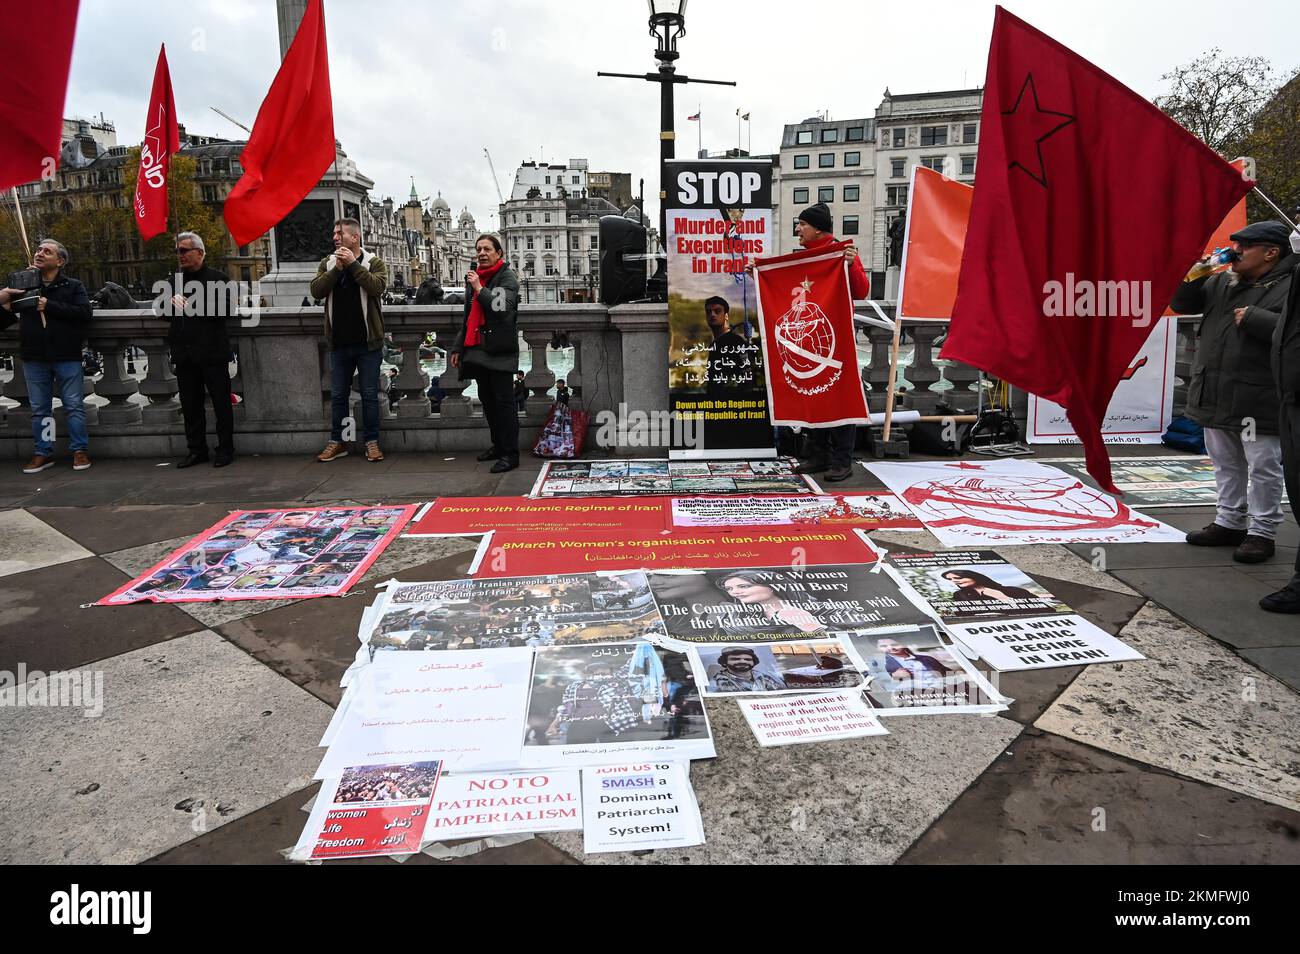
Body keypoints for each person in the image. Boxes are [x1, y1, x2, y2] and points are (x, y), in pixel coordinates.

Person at [1172, 221, 1297, 563]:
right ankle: (1229, 522)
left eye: (1245, 245)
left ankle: (1262, 532)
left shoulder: (1292, 284)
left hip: (1259, 393)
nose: (1236, 251)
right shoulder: (1222, 280)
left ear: (1271, 252)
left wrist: (1257, 318)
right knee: (1224, 462)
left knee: (1263, 465)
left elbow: (1294, 333)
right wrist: (1193, 274)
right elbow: (1182, 304)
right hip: (1215, 387)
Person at [791, 202, 869, 482]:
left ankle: (842, 459)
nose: (798, 229)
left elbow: (861, 291)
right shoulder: (806, 256)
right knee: (816, 394)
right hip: (813, 339)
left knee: (841, 395)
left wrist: (850, 266)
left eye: (802, 224)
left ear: (818, 229)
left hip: (838, 337)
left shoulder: (843, 253)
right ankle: (820, 454)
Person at [0, 239, 93, 474]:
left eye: (47, 251)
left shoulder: (73, 286)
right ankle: (44, 451)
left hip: (66, 355)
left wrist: (49, 305)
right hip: (34, 356)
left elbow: (84, 313)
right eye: (39, 250)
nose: (39, 253)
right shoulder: (25, 284)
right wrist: (5, 296)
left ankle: (79, 450)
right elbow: (5, 316)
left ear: (60, 261)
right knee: (41, 409)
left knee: (73, 405)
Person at [311, 218, 389, 463]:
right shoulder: (328, 263)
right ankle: (340, 441)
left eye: (339, 233)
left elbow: (378, 288)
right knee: (338, 396)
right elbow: (316, 291)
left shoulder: (373, 262)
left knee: (369, 394)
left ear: (354, 238)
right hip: (339, 342)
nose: (335, 237)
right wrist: (337, 269)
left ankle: (371, 442)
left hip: (368, 342)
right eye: (334, 233)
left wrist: (354, 266)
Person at [162, 232, 237, 468]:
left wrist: (192, 303)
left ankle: (225, 449)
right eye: (178, 251)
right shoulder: (173, 281)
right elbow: (162, 312)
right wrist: (170, 303)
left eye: (184, 250)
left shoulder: (220, 278)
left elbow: (227, 308)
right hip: (184, 354)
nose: (180, 255)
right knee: (190, 406)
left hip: (213, 354)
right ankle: (196, 450)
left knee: (221, 404)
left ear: (200, 253)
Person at [450, 234, 521, 472]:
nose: (481, 253)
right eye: (478, 249)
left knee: (504, 403)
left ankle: (511, 454)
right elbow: (468, 317)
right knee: (488, 402)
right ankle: (498, 446)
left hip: (499, 350)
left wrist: (479, 288)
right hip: (478, 348)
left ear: (498, 253)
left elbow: (501, 309)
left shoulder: (506, 277)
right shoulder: (476, 278)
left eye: (487, 249)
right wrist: (459, 346)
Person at [1262, 225, 1300, 613]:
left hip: (1274, 394)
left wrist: (1254, 317)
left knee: (1263, 465)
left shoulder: (1284, 282)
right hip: (1288, 396)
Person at [547, 662, 641, 744]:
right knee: (577, 756)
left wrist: (640, 650)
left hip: (609, 725)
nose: (603, 677)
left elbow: (627, 668)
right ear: (588, 675)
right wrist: (554, 724)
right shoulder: (573, 687)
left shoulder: (613, 684)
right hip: (580, 726)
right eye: (599, 674)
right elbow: (566, 708)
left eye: (606, 674)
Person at [715, 570, 827, 635]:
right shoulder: (735, 616)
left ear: (773, 586)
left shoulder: (813, 610)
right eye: (729, 589)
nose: (735, 592)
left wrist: (812, 627)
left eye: (744, 586)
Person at [703, 295, 758, 394]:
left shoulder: (736, 342)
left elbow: (747, 378)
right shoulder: (715, 344)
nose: (712, 315)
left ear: (726, 315)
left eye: (717, 311)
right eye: (709, 312)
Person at [875, 636, 950, 688]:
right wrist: (893, 675)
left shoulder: (927, 658)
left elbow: (947, 672)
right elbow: (873, 680)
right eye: (884, 646)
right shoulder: (878, 663)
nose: (890, 648)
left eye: (895, 644)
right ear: (878, 648)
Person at [941, 569, 1043, 605]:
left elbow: (1046, 609)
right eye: (950, 579)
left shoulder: (1014, 590)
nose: (954, 581)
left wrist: (1004, 598)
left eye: (957, 577)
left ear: (973, 576)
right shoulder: (959, 595)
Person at [709, 647, 786, 693]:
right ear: (724, 663)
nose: (743, 661)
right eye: (735, 659)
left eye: (747, 659)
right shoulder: (715, 683)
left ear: (753, 663)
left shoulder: (764, 677)